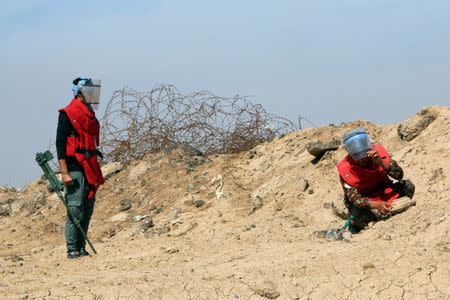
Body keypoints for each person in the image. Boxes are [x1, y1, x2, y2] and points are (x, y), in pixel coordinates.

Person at [56, 77, 104, 258]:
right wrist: (65, 172)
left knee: (87, 209)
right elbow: (60, 144)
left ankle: (82, 247)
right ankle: (72, 249)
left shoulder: (90, 114)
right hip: (75, 167)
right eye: (89, 92)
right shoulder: (67, 114)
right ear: (79, 93)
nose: (92, 96)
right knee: (75, 210)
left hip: (90, 167)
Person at [336, 128, 415, 232]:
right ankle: (355, 224)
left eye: (364, 156)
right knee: (364, 215)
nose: (362, 160)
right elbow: (355, 199)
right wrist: (376, 205)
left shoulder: (377, 154)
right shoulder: (345, 168)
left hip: (384, 190)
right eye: (358, 157)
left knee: (408, 186)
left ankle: (390, 209)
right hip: (366, 200)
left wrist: (382, 163)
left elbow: (399, 175)